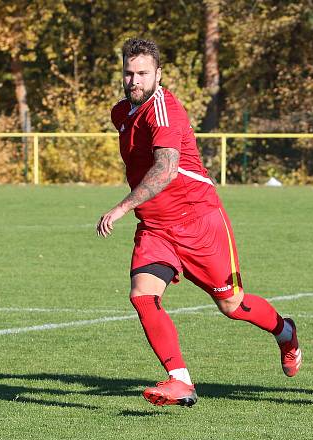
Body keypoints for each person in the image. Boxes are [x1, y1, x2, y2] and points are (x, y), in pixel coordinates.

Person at [96, 38, 301, 407]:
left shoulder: (165, 110)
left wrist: (122, 207)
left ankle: (285, 332)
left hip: (198, 223)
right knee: (142, 295)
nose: (134, 80)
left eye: (142, 73)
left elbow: (167, 168)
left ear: (158, 74)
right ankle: (181, 381)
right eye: (129, 73)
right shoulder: (121, 112)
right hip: (156, 227)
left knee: (233, 306)